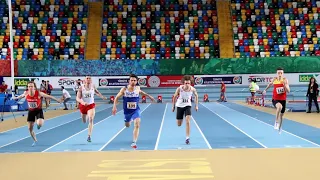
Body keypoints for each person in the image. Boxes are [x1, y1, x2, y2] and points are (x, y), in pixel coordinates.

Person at [112, 74, 155, 149]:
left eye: (134, 80)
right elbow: (116, 98)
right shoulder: (124, 89)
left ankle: (134, 141)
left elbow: (142, 93)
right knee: (127, 125)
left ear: (136, 81)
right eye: (131, 80)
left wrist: (149, 96)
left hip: (136, 110)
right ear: (129, 81)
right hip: (127, 111)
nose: (133, 81)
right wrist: (114, 107)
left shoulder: (137, 88)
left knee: (137, 124)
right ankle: (129, 120)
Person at [12, 81, 61, 146]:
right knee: (30, 128)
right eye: (29, 86)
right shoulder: (26, 93)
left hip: (38, 110)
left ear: (34, 87)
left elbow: (48, 96)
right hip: (31, 111)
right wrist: (15, 98)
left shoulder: (38, 93)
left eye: (32, 86)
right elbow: (21, 96)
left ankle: (38, 125)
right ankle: (35, 140)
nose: (30, 88)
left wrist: (57, 99)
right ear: (28, 87)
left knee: (39, 123)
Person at [76, 76, 107, 142]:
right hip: (83, 105)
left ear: (91, 80)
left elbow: (97, 92)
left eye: (89, 78)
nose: (88, 79)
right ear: (84, 80)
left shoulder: (93, 86)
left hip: (91, 105)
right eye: (87, 78)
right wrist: (82, 102)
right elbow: (77, 98)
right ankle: (85, 115)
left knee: (91, 119)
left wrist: (102, 97)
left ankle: (89, 136)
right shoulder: (81, 88)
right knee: (84, 121)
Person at [172, 75, 199, 145]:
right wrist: (173, 106)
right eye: (186, 83)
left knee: (188, 121)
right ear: (183, 83)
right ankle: (181, 118)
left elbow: (196, 95)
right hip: (179, 105)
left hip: (188, 105)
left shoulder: (192, 89)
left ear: (190, 83)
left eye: (188, 83)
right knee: (179, 124)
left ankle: (187, 138)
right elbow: (174, 97)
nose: (187, 85)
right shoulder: (179, 89)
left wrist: (196, 106)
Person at [263, 67, 290, 132]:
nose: (280, 74)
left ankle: (280, 128)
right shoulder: (274, 79)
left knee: (281, 116)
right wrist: (265, 90)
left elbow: (288, 91)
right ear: (276, 73)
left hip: (283, 99)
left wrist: (285, 85)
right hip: (275, 99)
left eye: (281, 73)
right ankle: (276, 121)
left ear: (283, 73)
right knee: (279, 107)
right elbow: (269, 85)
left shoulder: (285, 80)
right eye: (278, 73)